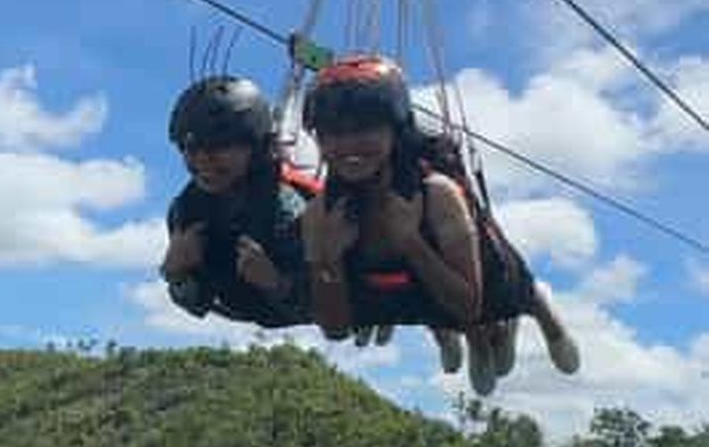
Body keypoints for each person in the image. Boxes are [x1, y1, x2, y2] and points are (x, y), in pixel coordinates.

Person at [301, 55, 579, 394]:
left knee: (509, 297)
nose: (348, 145)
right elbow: (335, 329)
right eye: (333, 133)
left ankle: (543, 312)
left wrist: (411, 243)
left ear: (395, 130)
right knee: (473, 348)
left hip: (481, 291)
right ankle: (472, 337)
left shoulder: (435, 194)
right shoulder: (322, 215)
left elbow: (468, 305)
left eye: (365, 129)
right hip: (420, 300)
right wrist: (327, 261)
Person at [161, 76, 310, 329]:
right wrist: (175, 272)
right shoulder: (185, 212)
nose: (203, 160)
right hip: (240, 310)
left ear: (257, 148)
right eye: (192, 148)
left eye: (219, 147)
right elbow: (195, 303)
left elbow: (323, 309)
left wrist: (274, 282)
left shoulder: (287, 209)